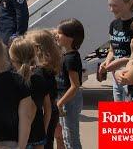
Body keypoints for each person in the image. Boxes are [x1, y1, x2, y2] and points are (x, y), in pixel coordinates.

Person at [9, 37, 52, 149]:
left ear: (12, 58)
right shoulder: (40, 79)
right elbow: (48, 108)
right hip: (38, 134)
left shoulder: (11, 81)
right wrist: (44, 129)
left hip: (17, 136)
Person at [98, 0, 133, 101]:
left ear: (129, 3)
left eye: (115, 5)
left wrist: (120, 62)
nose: (111, 9)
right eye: (110, 5)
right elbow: (112, 49)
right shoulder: (114, 24)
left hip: (132, 79)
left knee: (131, 117)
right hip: (116, 79)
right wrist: (107, 61)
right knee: (119, 117)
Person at [25, 30, 62, 149]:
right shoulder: (48, 67)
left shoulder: (38, 73)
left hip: (44, 117)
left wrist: (43, 131)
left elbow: (43, 106)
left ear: (36, 49)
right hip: (51, 113)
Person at [56, 18, 84, 149]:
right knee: (66, 135)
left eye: (60, 33)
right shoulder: (66, 55)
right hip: (65, 97)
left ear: (70, 38)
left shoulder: (71, 59)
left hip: (69, 100)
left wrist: (60, 103)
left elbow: (75, 86)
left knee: (71, 138)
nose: (57, 35)